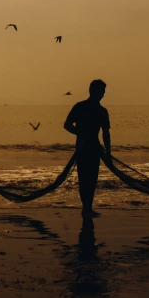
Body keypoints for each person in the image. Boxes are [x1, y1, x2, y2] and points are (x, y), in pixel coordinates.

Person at [64, 80, 111, 217]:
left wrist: (108, 152)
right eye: (101, 91)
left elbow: (106, 133)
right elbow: (67, 125)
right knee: (84, 178)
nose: (102, 94)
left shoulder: (102, 111)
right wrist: (81, 133)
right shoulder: (80, 107)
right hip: (83, 148)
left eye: (103, 92)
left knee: (91, 179)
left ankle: (87, 207)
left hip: (93, 148)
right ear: (92, 91)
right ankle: (86, 208)